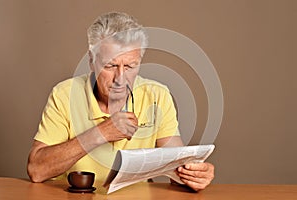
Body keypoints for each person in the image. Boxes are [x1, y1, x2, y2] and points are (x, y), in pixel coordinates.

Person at [27, 12, 214, 191]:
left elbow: (176, 166)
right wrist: (101, 133)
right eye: (111, 65)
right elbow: (37, 170)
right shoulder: (64, 94)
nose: (121, 78)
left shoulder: (157, 95)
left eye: (131, 66)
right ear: (92, 61)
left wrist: (193, 175)